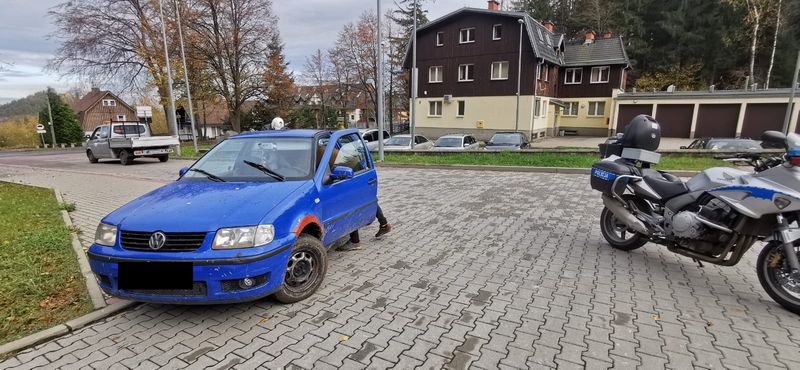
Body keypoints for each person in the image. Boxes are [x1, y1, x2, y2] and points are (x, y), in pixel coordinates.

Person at [315, 139, 391, 251]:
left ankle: (355, 242)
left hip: (351, 171)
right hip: (357, 170)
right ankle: (384, 224)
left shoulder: (317, 153)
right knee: (364, 198)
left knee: (350, 205)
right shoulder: (324, 148)